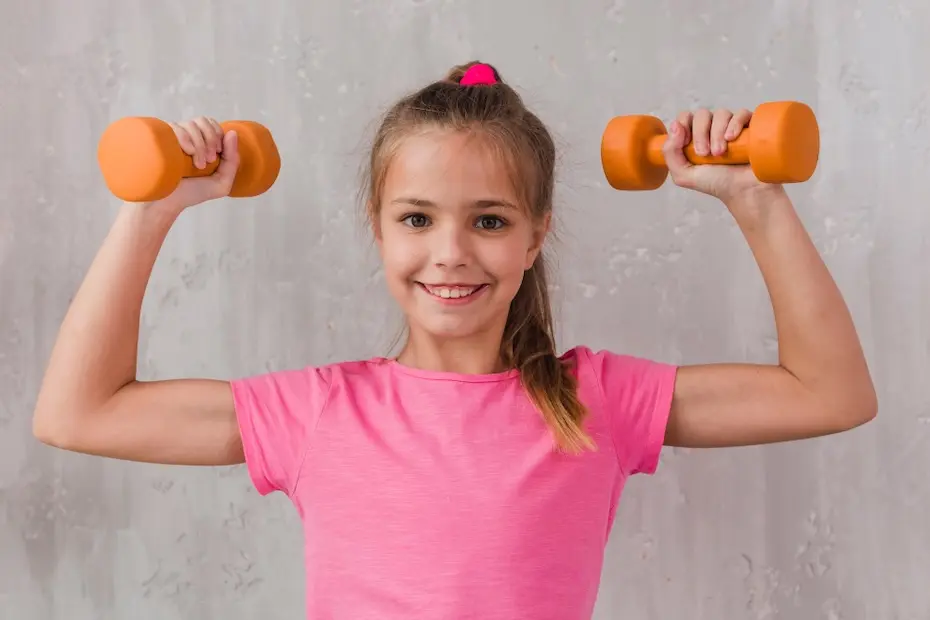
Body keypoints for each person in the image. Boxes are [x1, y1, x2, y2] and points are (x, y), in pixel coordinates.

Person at [32, 61, 877, 619]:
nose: (451, 252)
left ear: (535, 235)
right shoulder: (319, 411)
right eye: (417, 219)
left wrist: (754, 200)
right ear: (379, 229)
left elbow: (830, 393)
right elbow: (79, 413)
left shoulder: (595, 401)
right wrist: (152, 209)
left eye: (490, 220)